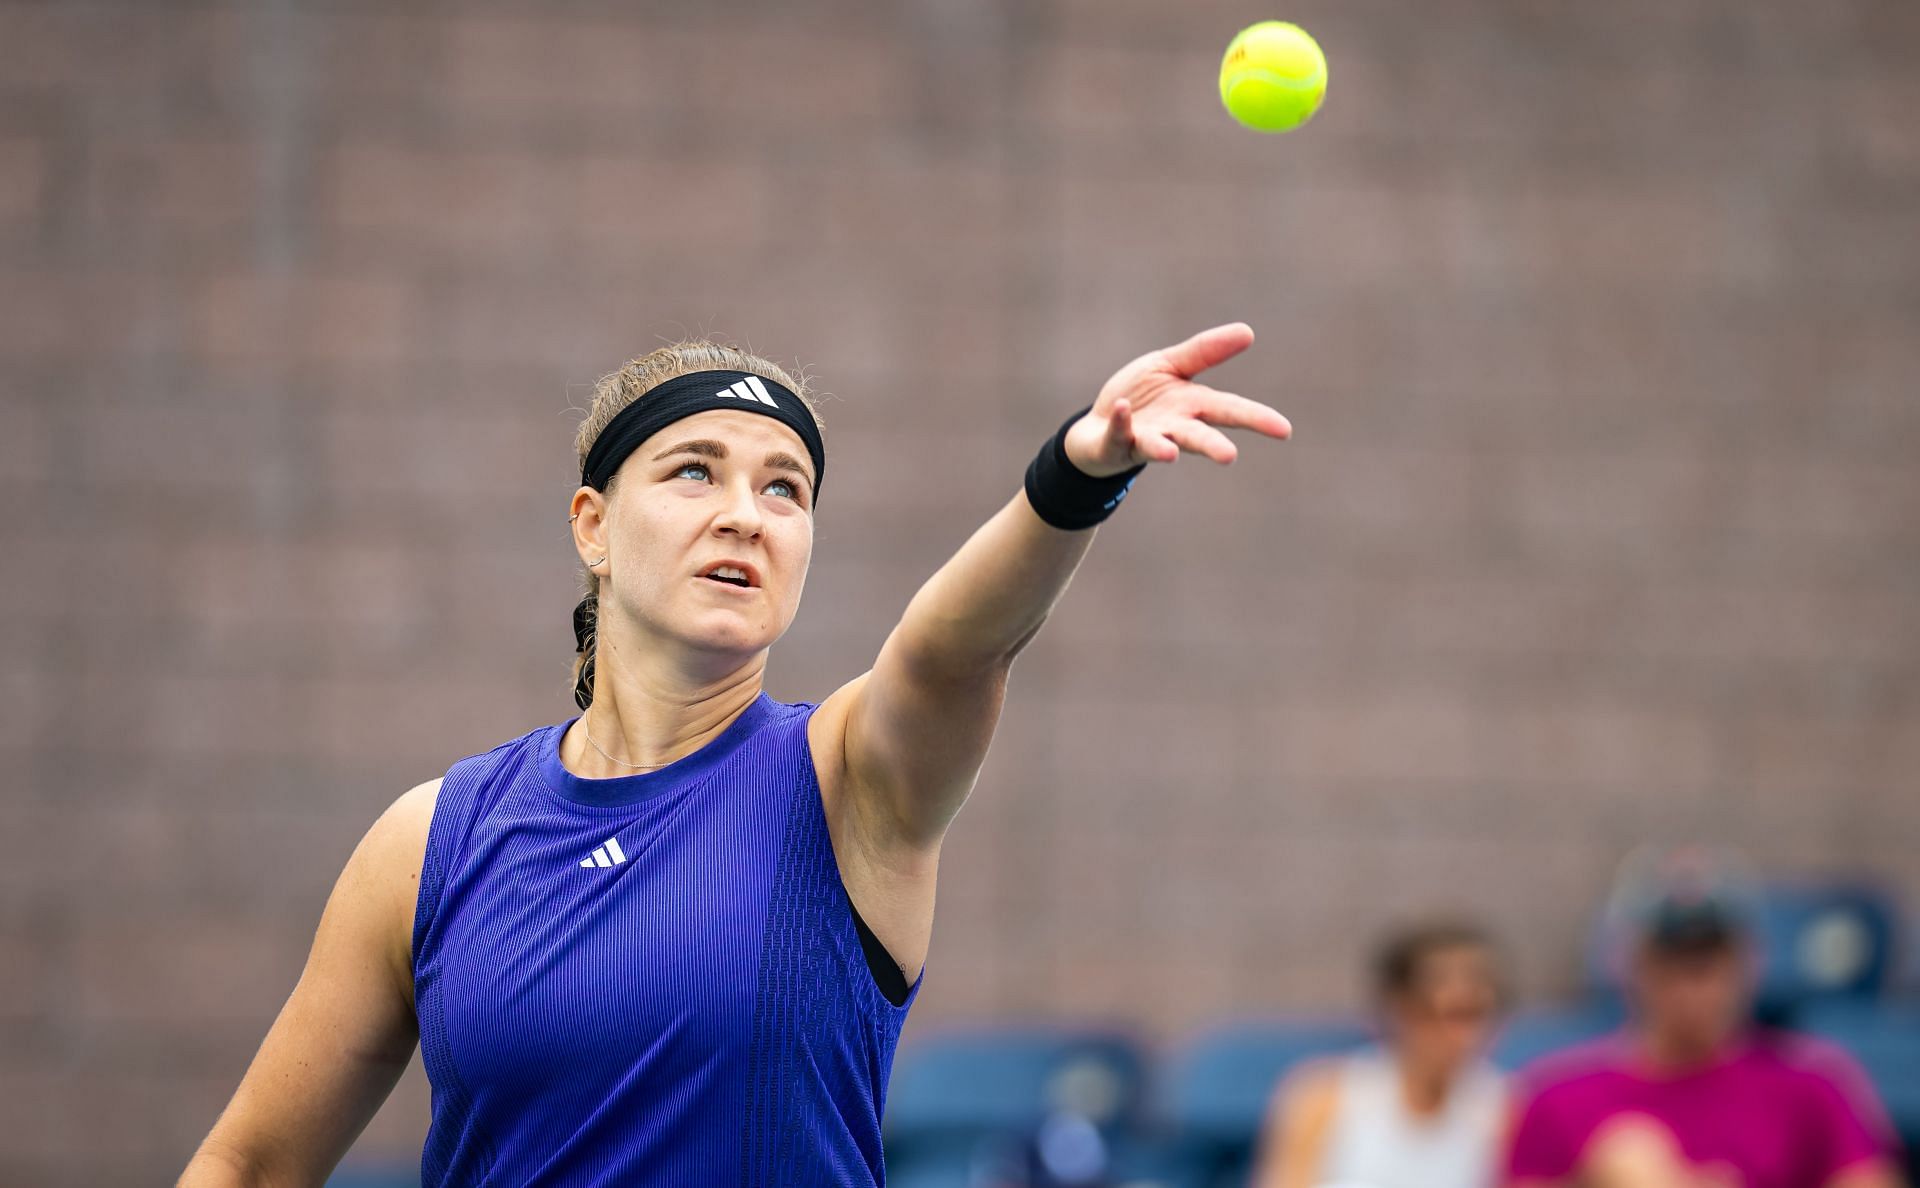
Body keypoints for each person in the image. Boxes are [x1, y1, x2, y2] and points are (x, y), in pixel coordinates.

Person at [177, 327, 1291, 1186]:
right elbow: (252, 1165)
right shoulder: (434, 840)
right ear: (593, 528)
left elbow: (953, 651)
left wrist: (1077, 475)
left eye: (784, 489)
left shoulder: (848, 780)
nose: (746, 515)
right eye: (694, 472)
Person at [1506, 850, 1906, 1188]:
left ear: (1747, 963)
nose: (1692, 987)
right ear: (1631, 964)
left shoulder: (1811, 1088)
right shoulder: (1557, 1097)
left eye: (1709, 963)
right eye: (1673, 961)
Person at [1251, 920, 1509, 1188]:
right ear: (1399, 1009)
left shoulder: (1501, 1110)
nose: (1462, 1037)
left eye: (1475, 1015)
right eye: (1439, 1015)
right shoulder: (1322, 1099)